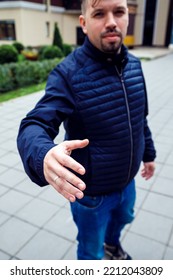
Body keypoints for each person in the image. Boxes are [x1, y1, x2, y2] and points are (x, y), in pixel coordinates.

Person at [17, 0, 156, 260]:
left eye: (119, 12)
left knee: (125, 217)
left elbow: (141, 118)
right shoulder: (67, 74)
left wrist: (148, 154)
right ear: (84, 23)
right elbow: (34, 124)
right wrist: (43, 155)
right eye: (99, 13)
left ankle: (112, 246)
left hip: (128, 182)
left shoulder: (135, 66)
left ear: (128, 16)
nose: (111, 21)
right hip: (92, 195)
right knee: (90, 251)